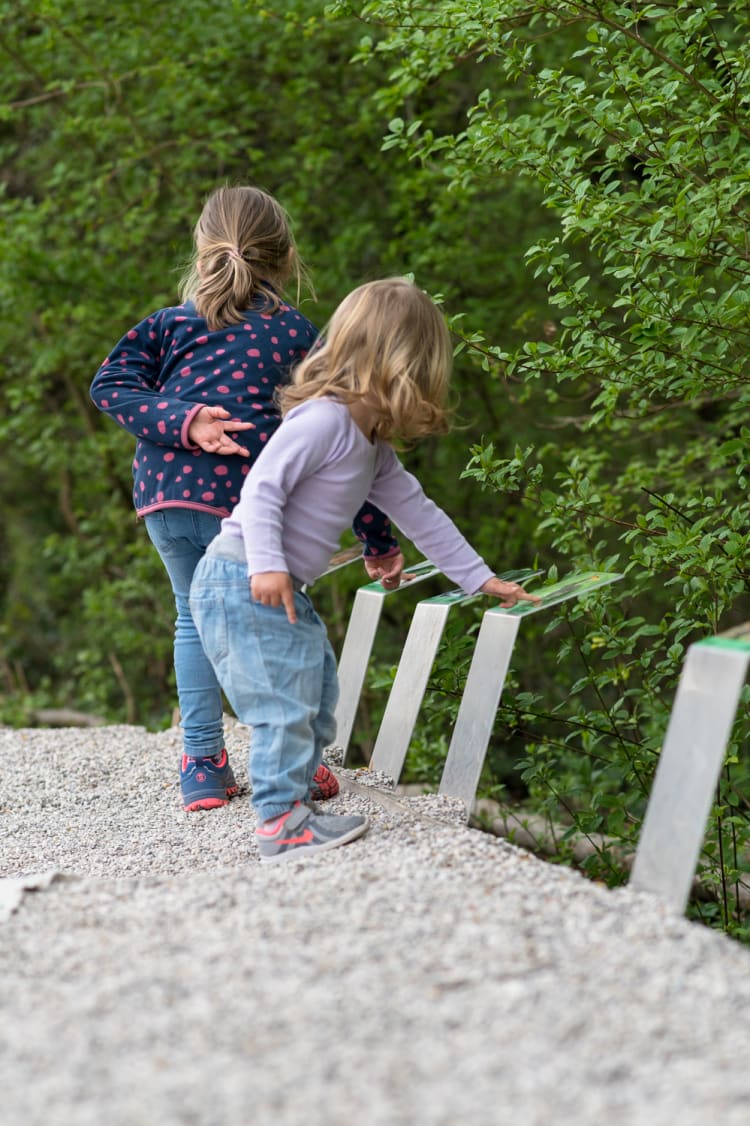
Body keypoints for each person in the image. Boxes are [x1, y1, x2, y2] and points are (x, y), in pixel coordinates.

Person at [188, 277, 541, 864]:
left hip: (272, 588)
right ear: (397, 364)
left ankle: (296, 803)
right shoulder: (323, 422)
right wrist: (270, 565)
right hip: (243, 577)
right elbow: (262, 489)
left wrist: (481, 579)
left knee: (318, 694)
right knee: (284, 703)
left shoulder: (370, 445)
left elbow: (419, 514)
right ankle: (280, 822)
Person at [90, 185, 404, 812]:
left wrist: (181, 421)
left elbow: (110, 387)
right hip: (240, 509)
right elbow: (343, 440)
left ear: (204, 249)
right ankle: (293, 759)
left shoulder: (168, 324)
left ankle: (203, 766)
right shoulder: (293, 333)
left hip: (164, 497)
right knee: (277, 622)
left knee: (192, 617)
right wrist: (377, 538)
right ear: (286, 257)